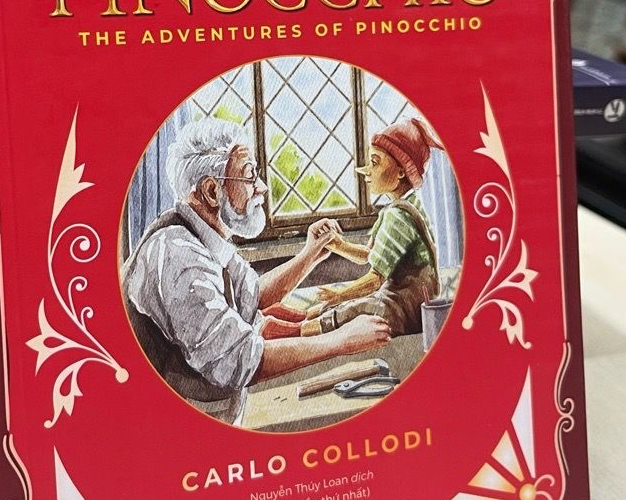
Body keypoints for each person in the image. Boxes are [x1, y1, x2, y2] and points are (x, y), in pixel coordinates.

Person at [123, 118, 391, 425]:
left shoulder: (205, 235)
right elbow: (238, 358)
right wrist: (340, 341)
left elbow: (253, 295)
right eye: (250, 175)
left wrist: (310, 254)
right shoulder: (176, 253)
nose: (261, 187)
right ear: (211, 190)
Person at [308, 118, 442, 337]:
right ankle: (294, 323)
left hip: (403, 310)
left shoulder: (398, 216)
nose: (366, 171)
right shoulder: (402, 207)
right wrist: (338, 245)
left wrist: (338, 295)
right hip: (403, 302)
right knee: (334, 307)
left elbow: (374, 280)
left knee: (344, 311)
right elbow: (370, 255)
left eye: (375, 162)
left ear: (401, 171)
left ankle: (290, 331)